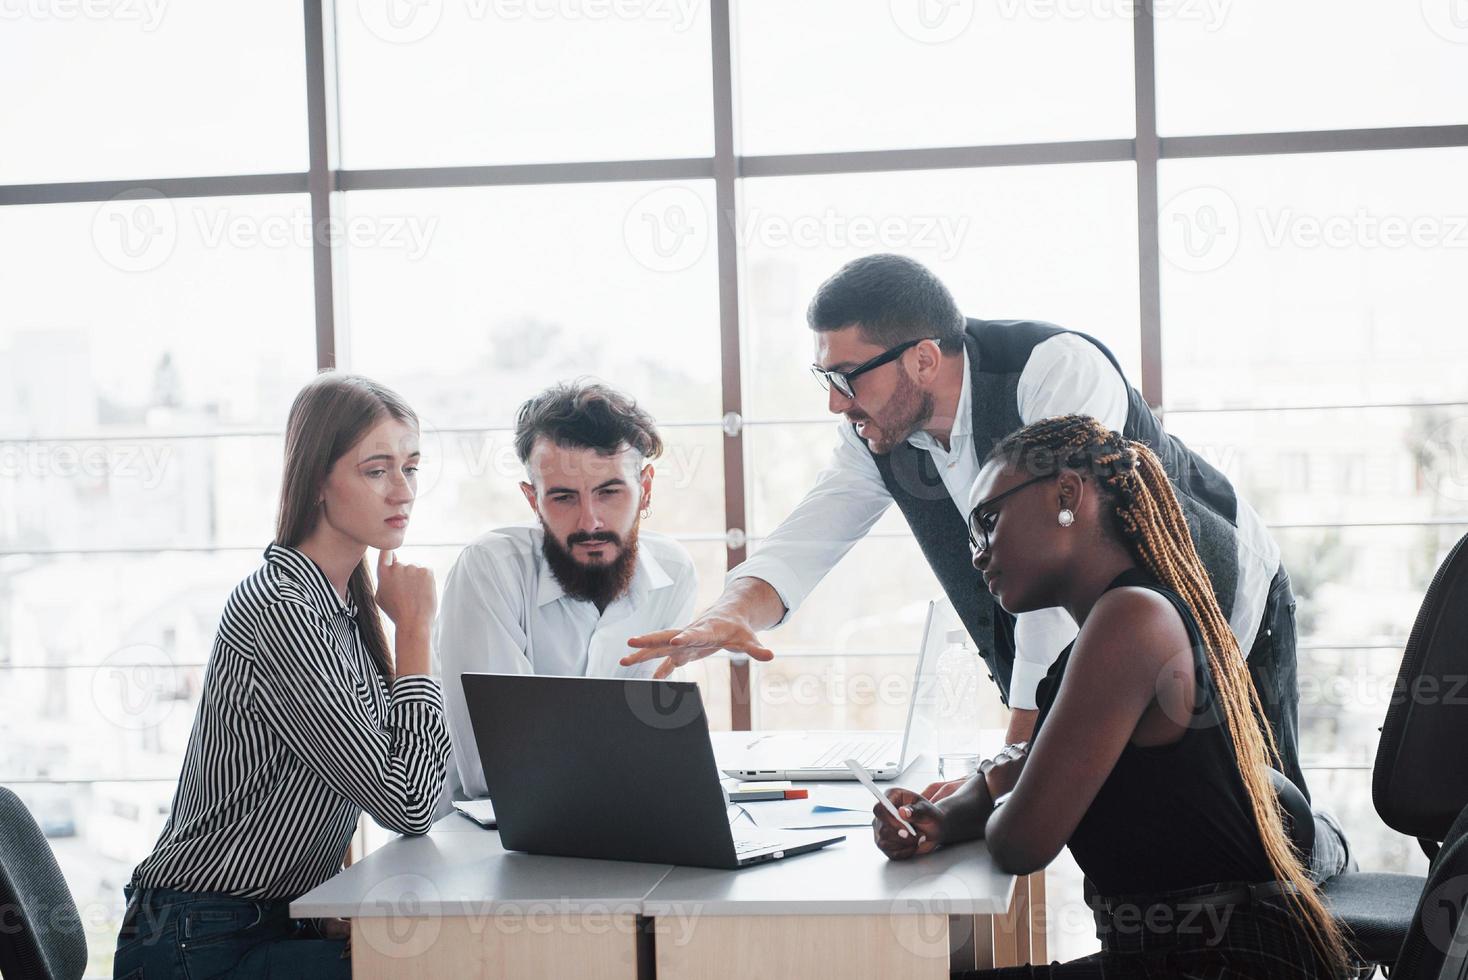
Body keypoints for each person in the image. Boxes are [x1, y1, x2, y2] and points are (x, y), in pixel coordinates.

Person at [625, 253, 1322, 821]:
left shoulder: (1051, 371)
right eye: (824, 377)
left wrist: (1005, 765)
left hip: (1229, 608)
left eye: (845, 378)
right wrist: (728, 614)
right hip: (1110, 663)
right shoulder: (877, 433)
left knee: (1266, 837)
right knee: (1134, 838)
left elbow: (1059, 578)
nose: (835, 402)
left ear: (923, 360)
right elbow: (815, 529)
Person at [872, 415, 1350, 979]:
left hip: (1223, 963)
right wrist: (946, 814)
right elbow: (1030, 774)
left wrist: (1003, 782)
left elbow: (1020, 843)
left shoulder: (1131, 620)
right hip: (1178, 957)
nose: (977, 554)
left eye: (988, 522)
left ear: (1066, 494)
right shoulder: (1113, 625)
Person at [113, 374, 450, 979]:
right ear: (318, 481)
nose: (403, 491)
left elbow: (360, 779)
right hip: (199, 942)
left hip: (266, 923)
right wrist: (416, 633)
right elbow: (409, 802)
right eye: (377, 470)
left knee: (445, 956)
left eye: (412, 467)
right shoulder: (283, 608)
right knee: (440, 968)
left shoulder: (341, 606)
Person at [436, 380, 697, 799]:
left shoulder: (673, 573)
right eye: (563, 498)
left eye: (609, 492)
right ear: (532, 499)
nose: (589, 522)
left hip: (613, 816)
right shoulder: (490, 569)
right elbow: (494, 767)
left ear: (644, 489)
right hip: (482, 839)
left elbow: (648, 736)